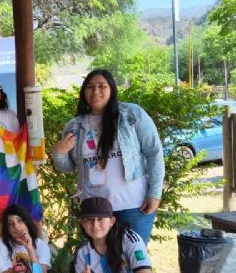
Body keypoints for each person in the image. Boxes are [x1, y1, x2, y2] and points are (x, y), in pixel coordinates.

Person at [52, 69, 164, 243]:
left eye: (102, 86)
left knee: (133, 263)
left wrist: (155, 193)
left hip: (134, 206)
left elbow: (154, 152)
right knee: (98, 265)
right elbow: (69, 166)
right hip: (93, 210)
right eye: (90, 87)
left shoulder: (132, 114)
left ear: (111, 89)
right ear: (83, 92)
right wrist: (59, 152)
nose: (96, 91)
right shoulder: (74, 126)